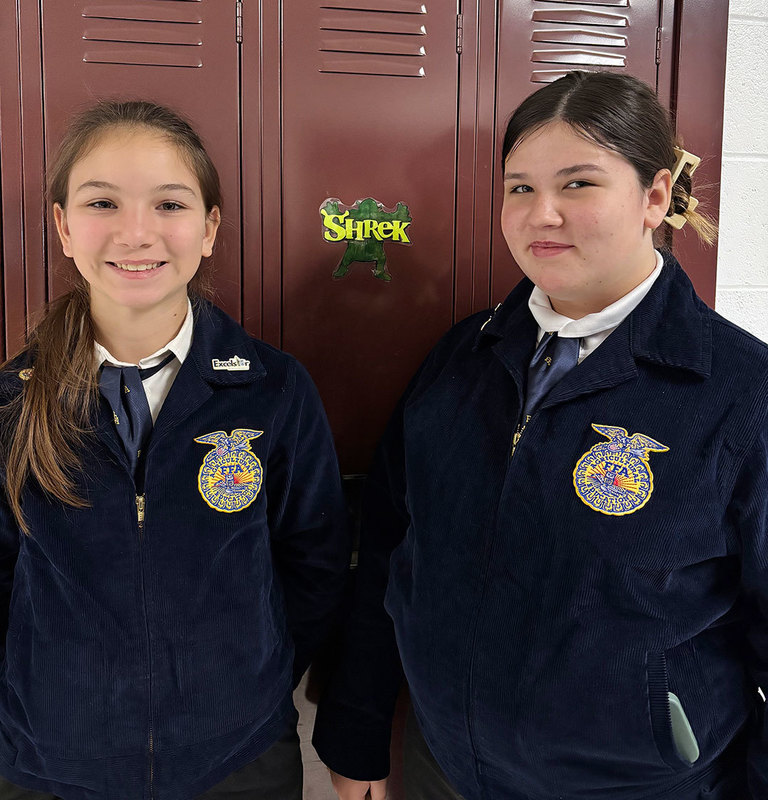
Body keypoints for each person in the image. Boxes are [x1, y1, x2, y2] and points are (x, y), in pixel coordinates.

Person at [313, 70, 768, 800]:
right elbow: (392, 555)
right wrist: (357, 728)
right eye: (520, 188)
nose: (540, 214)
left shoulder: (742, 394)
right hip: (444, 772)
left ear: (655, 197)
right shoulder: (462, 359)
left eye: (578, 184)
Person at [0, 101, 350, 800]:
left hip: (238, 759)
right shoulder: (11, 403)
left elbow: (312, 565)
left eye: (169, 203)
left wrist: (248, 679)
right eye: (103, 202)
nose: (137, 233)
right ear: (64, 226)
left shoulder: (274, 390)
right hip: (51, 764)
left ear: (210, 227)